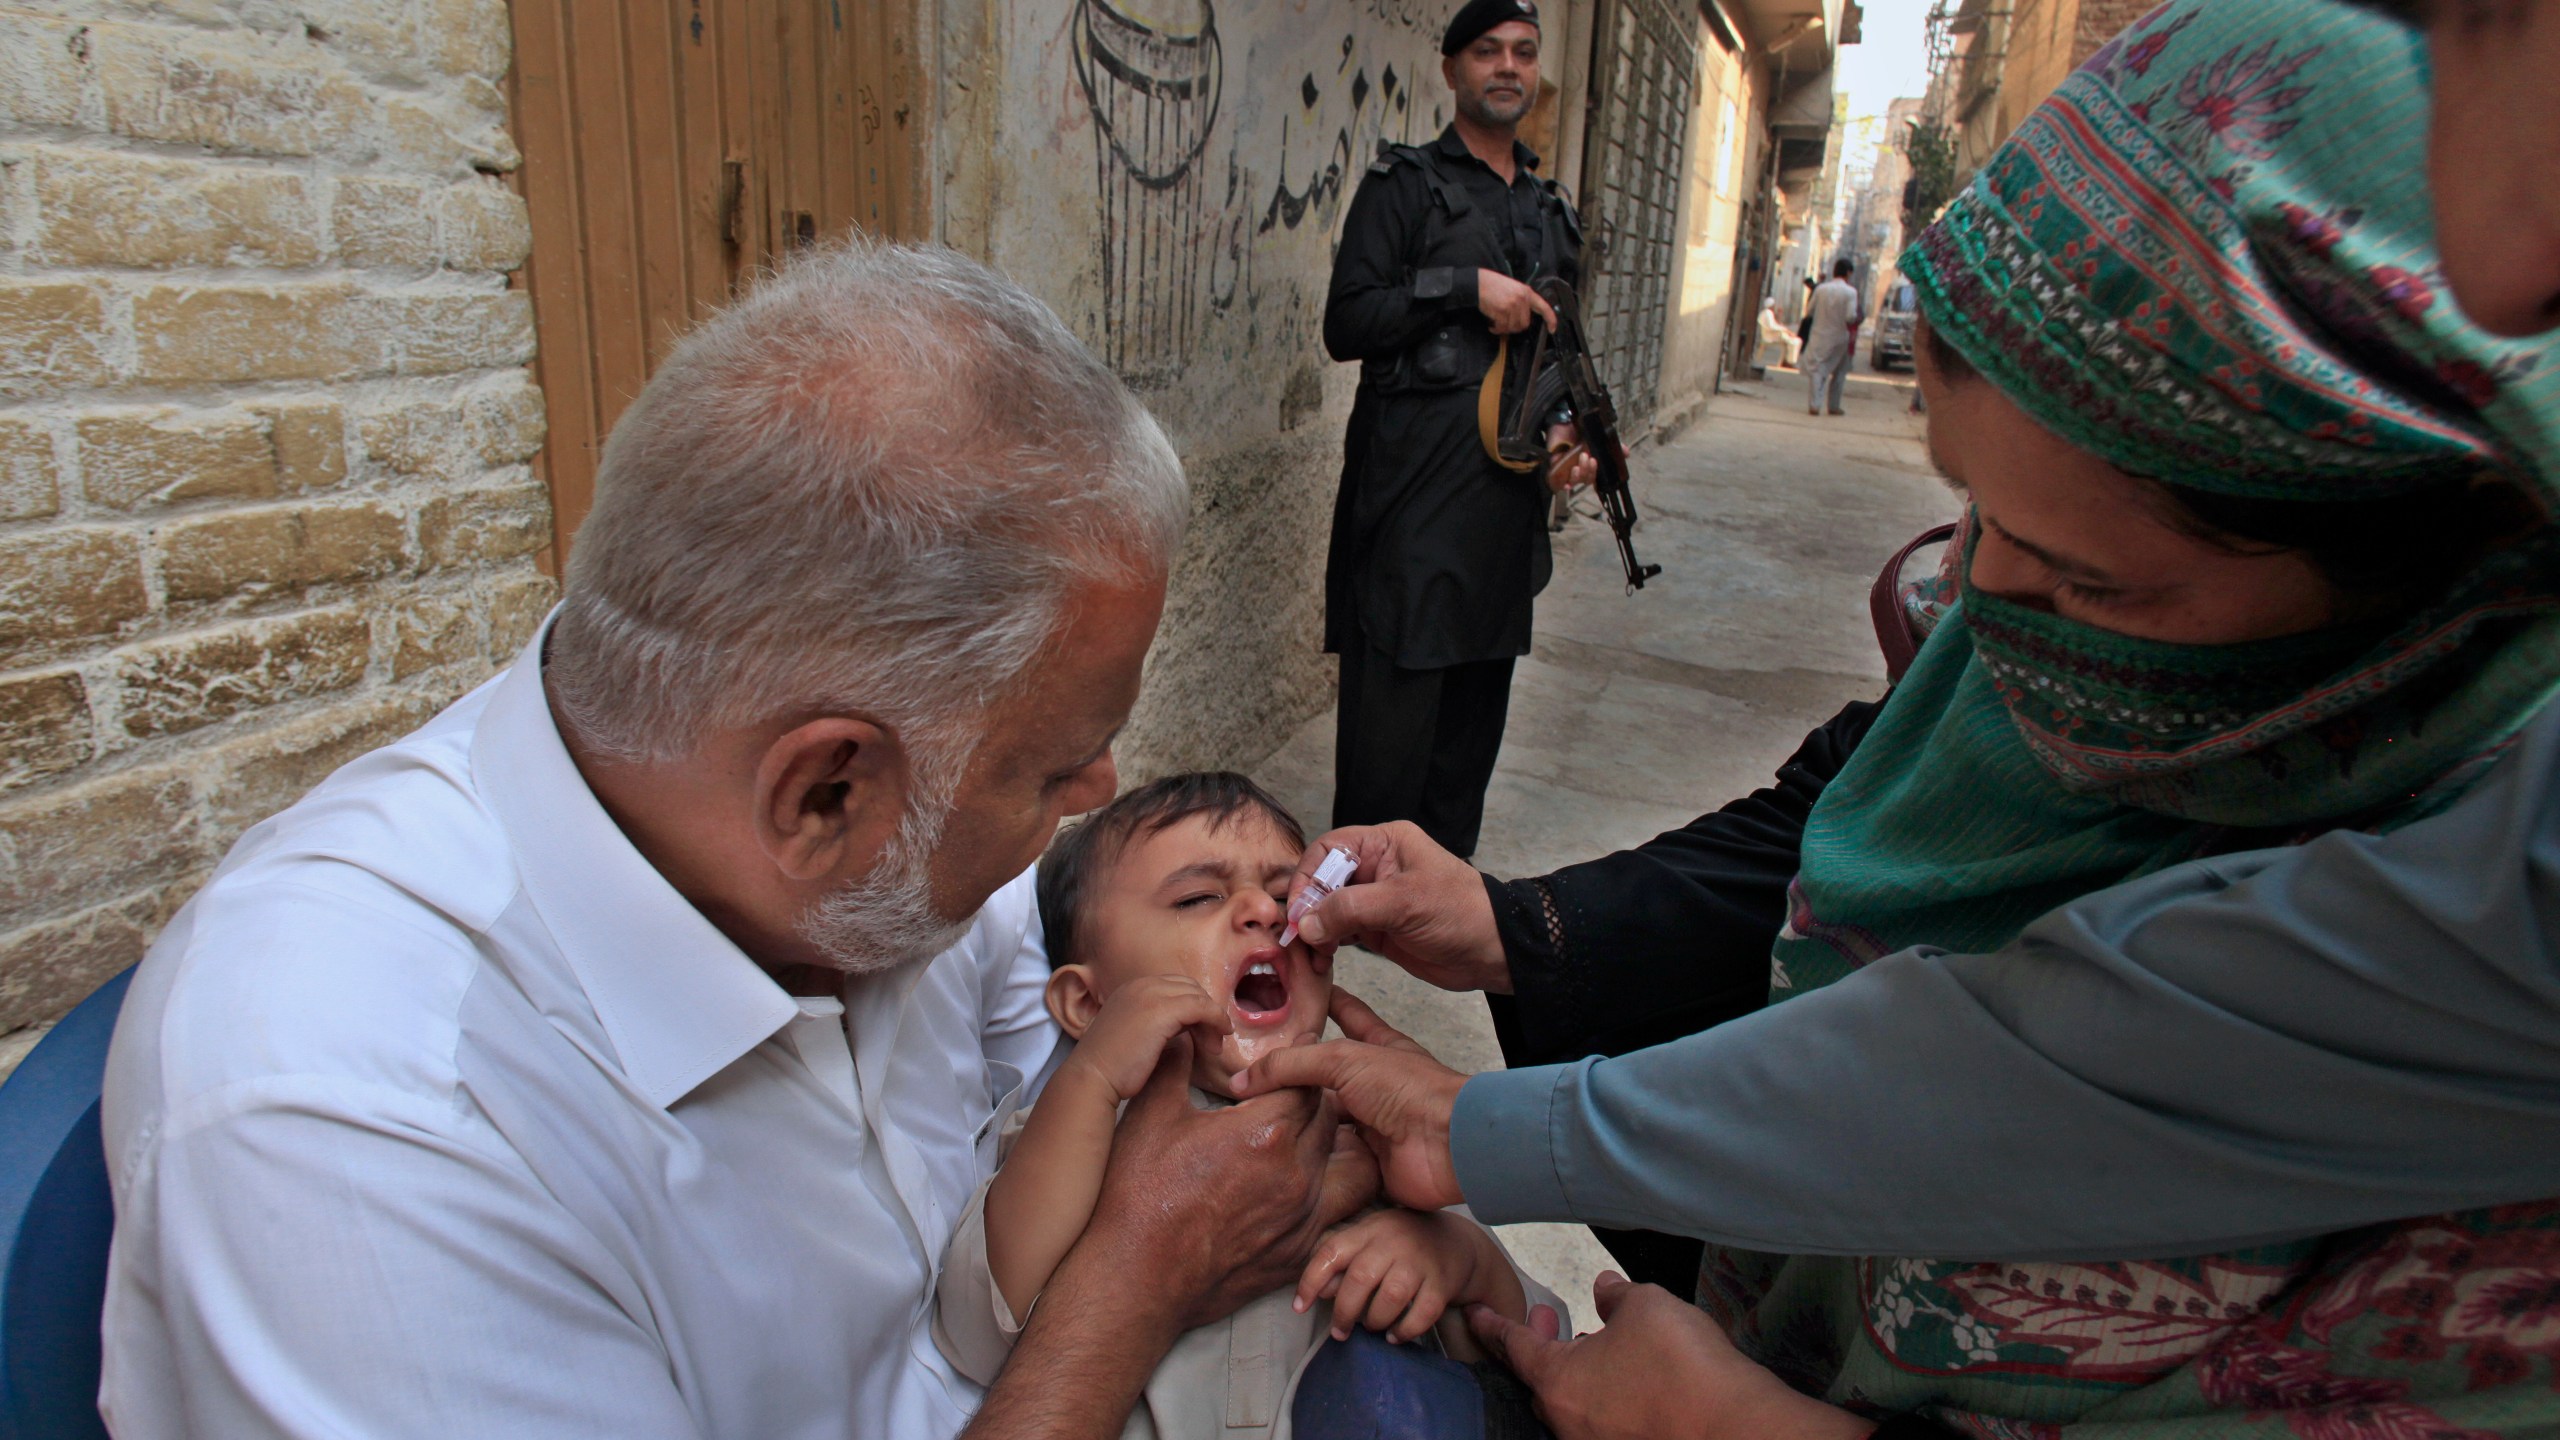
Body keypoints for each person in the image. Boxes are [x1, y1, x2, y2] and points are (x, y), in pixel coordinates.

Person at [1246, 1, 2560, 1434]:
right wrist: (1513, 927)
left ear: (2411, 562)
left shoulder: (2494, 902)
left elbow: (2058, 1065)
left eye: (2088, 580)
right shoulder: (2008, 642)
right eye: (1973, 513)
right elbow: (1832, 817)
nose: (1983, 605)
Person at [99, 242, 1370, 1439]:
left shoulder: (861, 846)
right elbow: (1120, 1256)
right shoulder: (359, 1133)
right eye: (1047, 769)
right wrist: (1137, 1282)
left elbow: (1054, 1039)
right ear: (823, 795)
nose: (1094, 789)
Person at [933, 773, 1561, 1438]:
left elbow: (1541, 1345)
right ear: (1088, 1004)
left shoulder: (1383, 1139)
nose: (1263, 911)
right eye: (1199, 897)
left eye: (1290, 896)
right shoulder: (1070, 1142)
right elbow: (977, 1333)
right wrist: (1089, 1081)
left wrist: (1456, 1260)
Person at [1321, 0, 1590, 861]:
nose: (1507, 67)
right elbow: (1348, 322)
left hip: (1504, 512)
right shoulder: (1402, 188)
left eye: (1522, 53)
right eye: (1487, 52)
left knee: (1473, 724)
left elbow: (1561, 351)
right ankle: (1356, 899)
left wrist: (1562, 432)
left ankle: (1437, 889)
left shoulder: (1550, 209)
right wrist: (1463, 289)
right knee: (1391, 721)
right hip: (1411, 501)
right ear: (1452, 70)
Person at [1801, 258, 1862, 416]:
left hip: (1819, 335)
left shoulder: (1821, 289)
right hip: (1840, 337)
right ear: (1848, 273)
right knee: (1839, 372)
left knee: (1817, 369)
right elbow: (1850, 317)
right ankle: (1834, 406)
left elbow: (1809, 311)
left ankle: (1815, 404)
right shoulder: (1851, 292)